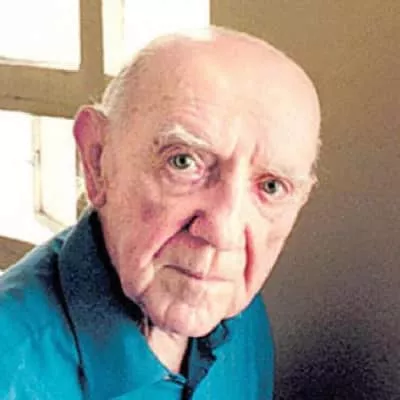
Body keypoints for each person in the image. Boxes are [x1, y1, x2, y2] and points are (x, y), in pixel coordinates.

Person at [0, 26, 320, 399]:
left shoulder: (235, 309)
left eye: (271, 186)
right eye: (183, 161)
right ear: (97, 159)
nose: (224, 233)